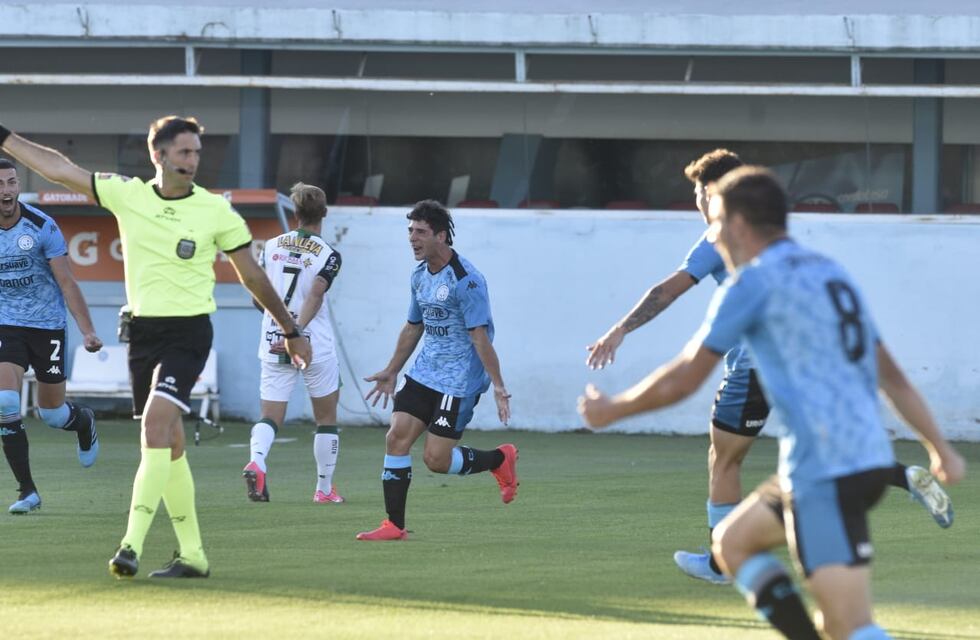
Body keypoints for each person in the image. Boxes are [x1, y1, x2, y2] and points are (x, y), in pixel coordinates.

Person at [579, 166, 966, 640]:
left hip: (826, 473)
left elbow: (683, 378)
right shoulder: (830, 273)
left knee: (850, 627)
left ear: (739, 225)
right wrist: (939, 447)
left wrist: (611, 409)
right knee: (733, 544)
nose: (713, 235)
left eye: (717, 222)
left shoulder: (750, 284)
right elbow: (892, 375)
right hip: (838, 462)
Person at [0, 117, 310, 577]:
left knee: (154, 428)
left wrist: (290, 327)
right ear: (158, 156)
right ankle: (193, 556)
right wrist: (5, 137)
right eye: (185, 153)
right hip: (143, 335)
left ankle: (130, 545)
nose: (194, 161)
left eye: (197, 153)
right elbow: (60, 169)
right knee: (172, 444)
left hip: (189, 333)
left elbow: (252, 275)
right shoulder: (130, 195)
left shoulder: (216, 211)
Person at [358, 199, 517, 541]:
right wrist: (391, 370)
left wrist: (499, 386)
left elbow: (480, 337)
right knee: (396, 438)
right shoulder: (419, 275)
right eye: (410, 231)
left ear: (441, 236)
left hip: (458, 382)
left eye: (421, 232)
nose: (412, 239)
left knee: (436, 460)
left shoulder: (467, 280)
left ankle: (498, 460)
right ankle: (394, 525)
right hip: (424, 373)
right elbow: (414, 326)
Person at [0, 158, 102, 514]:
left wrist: (87, 330)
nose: (6, 190)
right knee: (6, 403)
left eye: (11, 182)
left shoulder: (42, 226)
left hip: (47, 326)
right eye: (0, 184)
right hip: (6, 325)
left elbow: (67, 283)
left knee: (53, 415)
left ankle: (84, 421)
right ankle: (27, 491)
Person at [243, 182, 344, 504]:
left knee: (270, 415)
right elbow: (316, 291)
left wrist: (282, 324)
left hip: (274, 337)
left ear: (295, 213)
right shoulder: (329, 254)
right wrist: (297, 331)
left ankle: (257, 462)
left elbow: (257, 292)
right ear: (324, 213)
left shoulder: (271, 245)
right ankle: (324, 490)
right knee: (325, 418)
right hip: (314, 342)